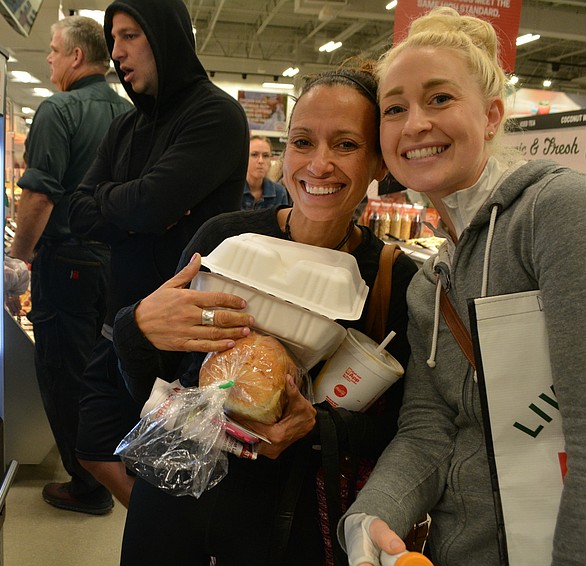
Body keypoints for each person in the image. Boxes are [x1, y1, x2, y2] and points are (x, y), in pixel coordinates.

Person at [339, 8, 586, 565]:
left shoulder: (565, 217)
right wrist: (368, 516)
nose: (415, 124)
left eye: (440, 99)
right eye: (395, 108)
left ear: (492, 115)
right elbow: (429, 431)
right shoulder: (430, 282)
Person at [112, 65, 418, 565]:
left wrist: (314, 426)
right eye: (302, 142)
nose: (319, 165)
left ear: (379, 163)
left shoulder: (392, 279)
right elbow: (149, 383)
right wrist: (138, 326)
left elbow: (407, 431)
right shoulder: (225, 238)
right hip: (174, 492)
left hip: (286, 521)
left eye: (345, 145)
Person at [67, 0, 249, 508]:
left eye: (130, 36)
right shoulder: (125, 126)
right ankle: (157, 532)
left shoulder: (215, 115)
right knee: (92, 448)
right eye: (113, 38)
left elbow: (146, 207)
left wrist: (128, 208)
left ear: (164, 35)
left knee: (176, 477)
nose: (118, 52)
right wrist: (134, 207)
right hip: (120, 320)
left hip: (183, 337)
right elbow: (79, 210)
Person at [7, 15, 132, 515]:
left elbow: (39, 197)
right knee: (106, 369)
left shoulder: (59, 110)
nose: (51, 60)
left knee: (63, 371)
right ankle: (106, 462)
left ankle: (86, 484)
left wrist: (17, 261)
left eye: (54, 51)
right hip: (118, 267)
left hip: (68, 263)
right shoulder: (130, 114)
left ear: (77, 57)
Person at [242, 135, 290, 210]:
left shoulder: (279, 193)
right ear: (244, 157)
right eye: (254, 155)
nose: (261, 161)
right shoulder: (233, 191)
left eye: (265, 156)